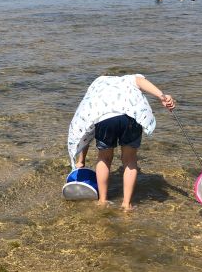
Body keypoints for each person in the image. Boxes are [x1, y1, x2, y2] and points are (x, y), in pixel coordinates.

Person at [68, 74, 175, 211]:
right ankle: (126, 204)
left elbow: (86, 126)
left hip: (105, 117)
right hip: (131, 115)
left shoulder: (97, 84)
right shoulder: (131, 79)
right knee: (130, 160)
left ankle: (102, 200)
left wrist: (81, 161)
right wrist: (162, 96)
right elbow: (141, 82)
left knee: (104, 158)